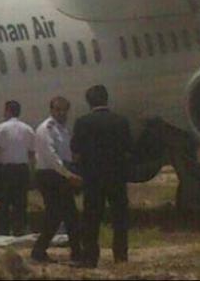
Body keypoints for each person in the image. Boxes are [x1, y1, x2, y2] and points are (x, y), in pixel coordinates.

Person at [71, 85, 133, 268]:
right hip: (116, 176)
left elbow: (75, 149)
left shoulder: (83, 122)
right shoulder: (121, 121)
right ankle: (120, 255)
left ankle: (90, 257)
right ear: (107, 99)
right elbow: (129, 148)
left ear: (89, 102)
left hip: (93, 178)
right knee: (120, 217)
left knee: (91, 218)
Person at [31, 96, 83, 263]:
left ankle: (43, 251)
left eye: (64, 110)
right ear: (51, 110)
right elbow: (52, 157)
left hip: (60, 174)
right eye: (58, 110)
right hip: (50, 175)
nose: (61, 113)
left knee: (63, 214)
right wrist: (69, 175)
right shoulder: (46, 129)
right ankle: (74, 252)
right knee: (64, 214)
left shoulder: (63, 129)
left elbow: (67, 154)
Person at [0, 100, 35, 236]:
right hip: (22, 169)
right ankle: (20, 228)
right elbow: (31, 153)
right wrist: (33, 171)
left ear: (8, 111)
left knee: (4, 201)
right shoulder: (28, 129)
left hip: (6, 169)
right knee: (21, 202)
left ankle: (3, 229)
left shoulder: (0, 128)